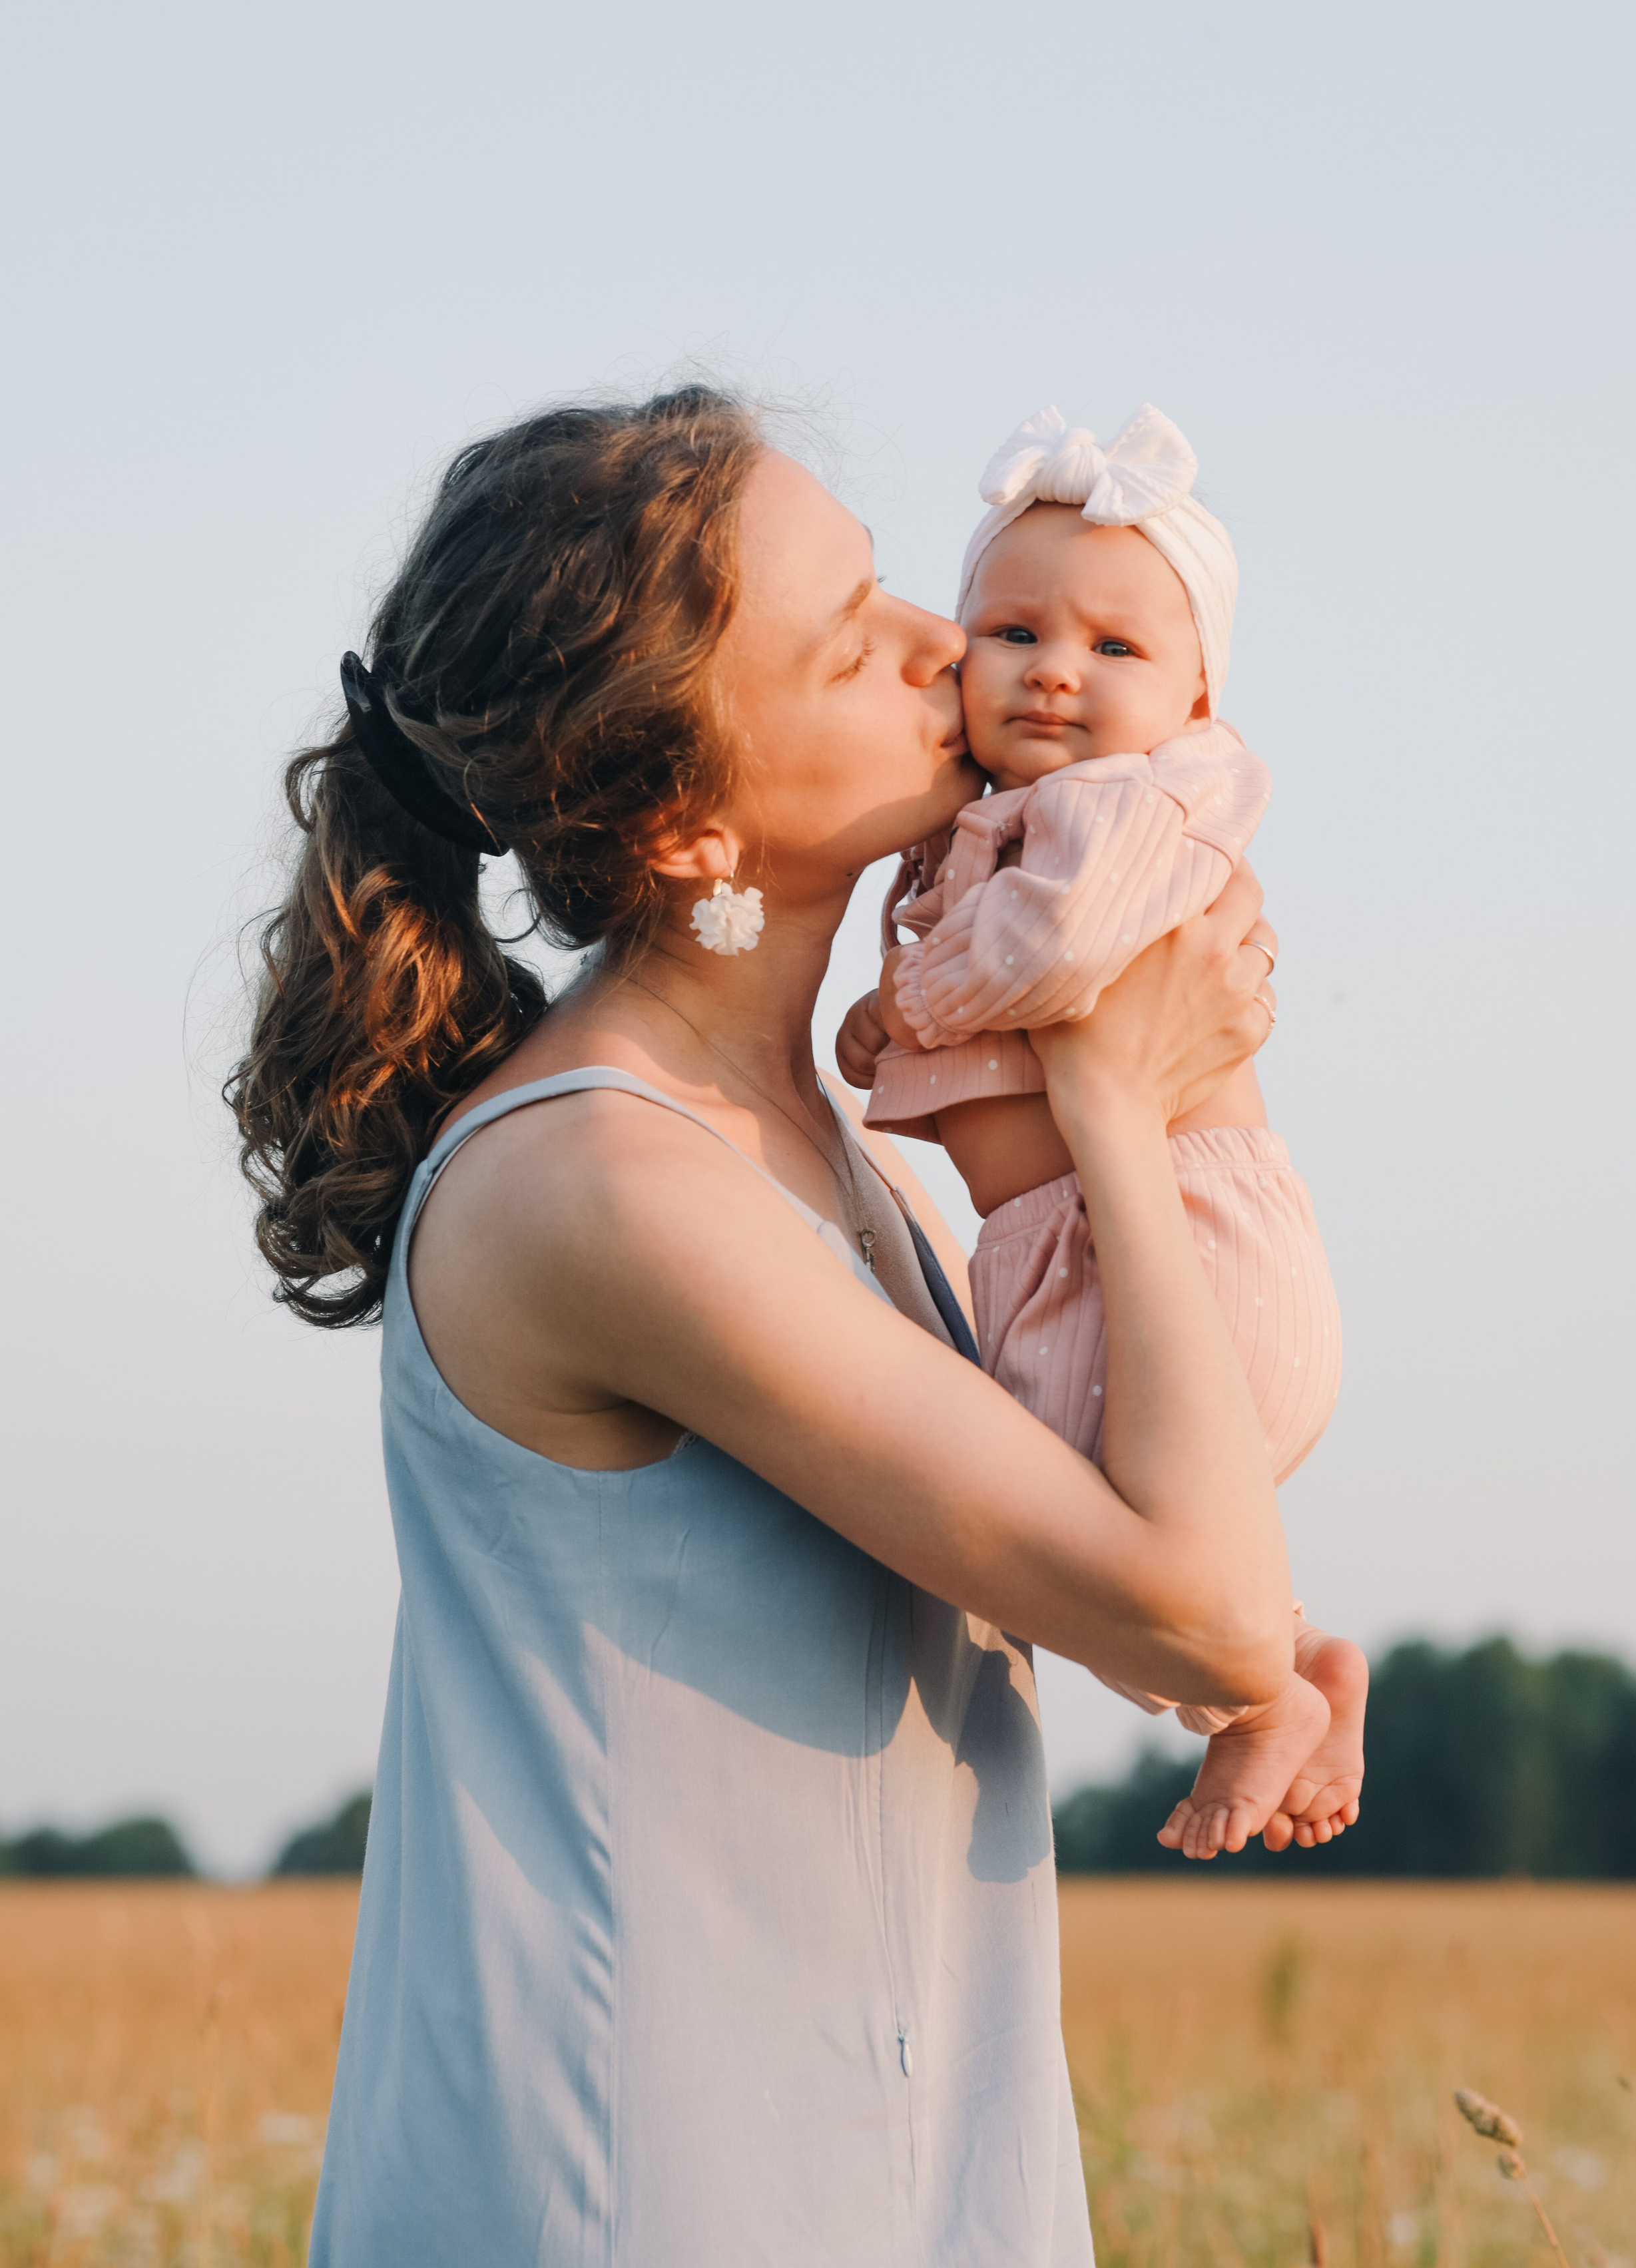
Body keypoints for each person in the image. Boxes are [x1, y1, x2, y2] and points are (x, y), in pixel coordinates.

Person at [229, 386, 1301, 2267]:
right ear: (684, 817)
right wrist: (1118, 1104)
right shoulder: (605, 1190)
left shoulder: (833, 1157)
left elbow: (1140, 1588)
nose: (940, 646)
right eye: (849, 640)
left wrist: (1274, 1658)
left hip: (873, 2175)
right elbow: (1177, 1598)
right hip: (649, 2198)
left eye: (898, 587)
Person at [837, 405, 1366, 1861]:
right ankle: (1294, 1658)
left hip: (1175, 1244)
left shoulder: (1139, 802)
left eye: (1116, 650)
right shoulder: (1007, 823)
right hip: (1084, 1251)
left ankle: (1253, 1690)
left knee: (1085, 1545)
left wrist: (914, 998)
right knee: (1058, 1538)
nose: (1054, 670)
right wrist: (898, 1024)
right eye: (1010, 631)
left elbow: (1056, 954)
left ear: (1201, 702)